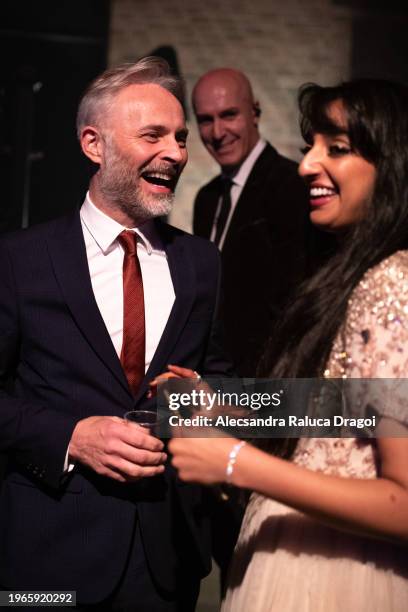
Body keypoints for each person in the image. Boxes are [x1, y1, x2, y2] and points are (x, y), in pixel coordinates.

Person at [0, 57, 233, 611]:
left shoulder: (202, 264)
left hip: (165, 562)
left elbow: (220, 377)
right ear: (93, 144)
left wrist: (206, 399)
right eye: (153, 135)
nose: (177, 153)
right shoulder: (19, 260)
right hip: (44, 558)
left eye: (180, 137)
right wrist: (70, 437)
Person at [168, 79, 408, 611]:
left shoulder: (392, 282)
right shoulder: (359, 273)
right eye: (311, 148)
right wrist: (228, 406)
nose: (307, 166)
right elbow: (346, 412)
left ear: (392, 163)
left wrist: (235, 463)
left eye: (337, 149)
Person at [192, 68, 326, 377]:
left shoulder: (292, 186)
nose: (217, 131)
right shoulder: (206, 197)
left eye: (229, 115)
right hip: (214, 378)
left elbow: (296, 304)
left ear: (255, 112)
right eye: (205, 119)